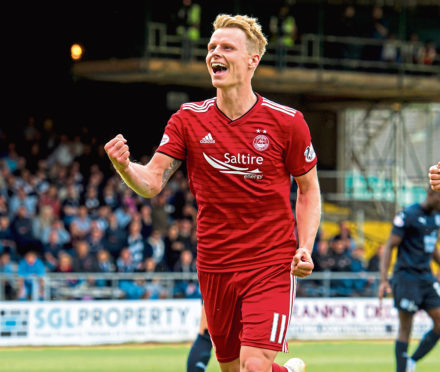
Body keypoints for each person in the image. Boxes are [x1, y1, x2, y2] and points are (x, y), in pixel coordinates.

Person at [105, 14, 321, 372]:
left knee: (254, 366)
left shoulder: (287, 122)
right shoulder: (188, 119)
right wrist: (126, 167)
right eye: (211, 47)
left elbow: (309, 190)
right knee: (233, 369)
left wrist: (306, 246)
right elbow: (152, 181)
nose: (214, 53)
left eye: (226, 47)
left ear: (253, 59)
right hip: (215, 265)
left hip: (269, 263)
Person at [379, 187, 440, 372]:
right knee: (406, 326)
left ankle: (411, 361)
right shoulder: (408, 215)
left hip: (426, 278)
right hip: (406, 278)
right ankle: (402, 369)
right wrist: (383, 280)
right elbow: (390, 245)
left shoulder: (436, 217)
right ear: (431, 193)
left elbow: (430, 246)